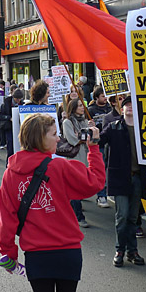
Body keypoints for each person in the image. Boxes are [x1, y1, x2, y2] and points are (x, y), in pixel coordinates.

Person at [0, 114, 104, 292]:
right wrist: (93, 149)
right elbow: (95, 182)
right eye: (54, 135)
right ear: (40, 138)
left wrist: (9, 253)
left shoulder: (10, 173)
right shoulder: (60, 166)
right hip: (68, 251)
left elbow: (6, 218)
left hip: (37, 254)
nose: (59, 139)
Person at [99, 96, 146, 267]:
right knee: (122, 216)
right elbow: (100, 140)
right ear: (122, 108)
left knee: (133, 218)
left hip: (138, 178)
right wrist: (94, 133)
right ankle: (119, 250)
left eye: (133, 105)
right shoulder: (113, 127)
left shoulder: (145, 129)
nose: (130, 107)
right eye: (127, 105)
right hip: (120, 178)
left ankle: (132, 251)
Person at [63, 98, 96, 228]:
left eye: (83, 105)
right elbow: (73, 139)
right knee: (75, 186)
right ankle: (78, 216)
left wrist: (91, 128)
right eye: (80, 106)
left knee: (80, 186)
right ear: (74, 107)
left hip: (85, 157)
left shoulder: (85, 121)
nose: (83, 107)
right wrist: (83, 136)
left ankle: (71, 207)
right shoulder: (67, 122)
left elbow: (90, 137)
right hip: (74, 158)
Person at [0, 89, 24, 165]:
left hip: (18, 128)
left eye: (20, 99)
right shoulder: (5, 104)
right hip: (8, 127)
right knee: (10, 145)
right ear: (13, 97)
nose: (18, 101)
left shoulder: (22, 104)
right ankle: (9, 163)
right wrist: (9, 118)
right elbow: (0, 116)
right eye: (17, 99)